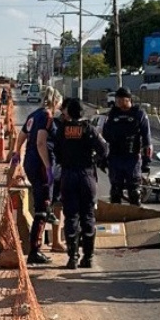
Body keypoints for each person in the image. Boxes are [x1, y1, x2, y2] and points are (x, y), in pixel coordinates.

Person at [55, 97, 108, 269]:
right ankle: (89, 257)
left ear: (69, 112)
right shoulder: (89, 129)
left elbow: (56, 151)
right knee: (88, 216)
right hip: (86, 176)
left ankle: (72, 257)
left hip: (68, 175)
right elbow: (104, 149)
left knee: (71, 216)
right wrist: (94, 158)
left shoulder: (62, 129)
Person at [12, 85, 62, 265]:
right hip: (40, 163)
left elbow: (22, 136)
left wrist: (17, 153)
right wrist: (48, 167)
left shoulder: (33, 115)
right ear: (55, 102)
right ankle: (35, 250)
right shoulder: (47, 117)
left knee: (42, 205)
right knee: (42, 207)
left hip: (30, 162)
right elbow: (41, 143)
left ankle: (39, 239)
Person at [102, 87, 152, 205]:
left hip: (132, 158)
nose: (118, 101)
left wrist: (147, 160)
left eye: (120, 99)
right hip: (115, 158)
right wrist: (102, 157)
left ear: (128, 99)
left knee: (134, 192)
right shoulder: (112, 114)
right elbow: (104, 138)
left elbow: (147, 139)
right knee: (115, 191)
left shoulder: (139, 114)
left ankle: (134, 219)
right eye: (116, 99)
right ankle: (116, 220)